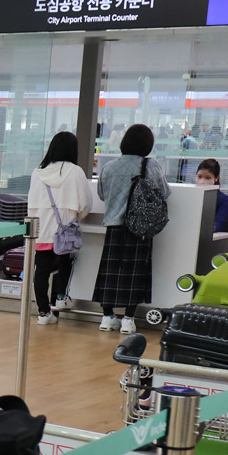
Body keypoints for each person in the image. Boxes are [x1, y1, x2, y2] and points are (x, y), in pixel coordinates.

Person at [92, 123, 167, 333]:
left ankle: (107, 317)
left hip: (114, 225)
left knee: (109, 272)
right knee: (135, 273)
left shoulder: (109, 167)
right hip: (140, 227)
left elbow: (102, 194)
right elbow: (164, 193)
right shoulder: (151, 167)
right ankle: (128, 319)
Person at [27, 131, 97, 325]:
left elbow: (31, 203)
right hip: (64, 229)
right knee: (66, 261)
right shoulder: (75, 172)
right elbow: (85, 203)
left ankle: (43, 313)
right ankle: (60, 297)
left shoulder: (37, 172)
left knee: (41, 270)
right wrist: (75, 217)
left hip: (41, 229)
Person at [195, 157, 228, 232]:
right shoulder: (191, 195)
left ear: (216, 178)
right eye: (199, 177)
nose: (202, 181)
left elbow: (217, 225)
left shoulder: (222, 199)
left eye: (207, 178)